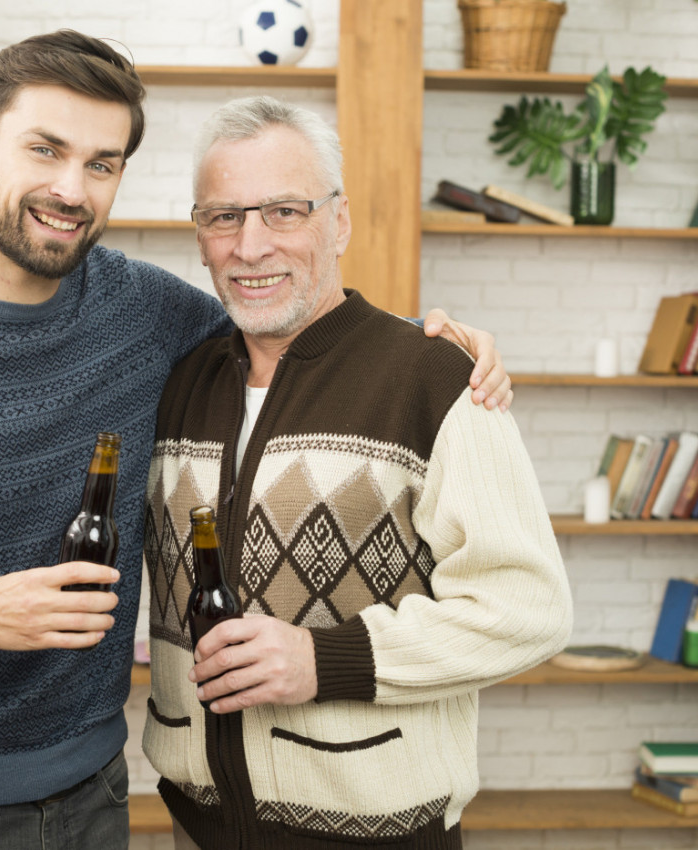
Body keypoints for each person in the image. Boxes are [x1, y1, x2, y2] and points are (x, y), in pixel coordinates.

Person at [0, 30, 512, 850]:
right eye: (45, 150)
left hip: (99, 795)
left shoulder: (146, 312)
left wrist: (428, 342)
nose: (72, 188)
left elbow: (290, 317)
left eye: (101, 164)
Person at [138, 96, 573, 850]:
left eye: (283, 212)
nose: (249, 246)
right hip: (195, 829)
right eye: (223, 217)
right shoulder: (177, 381)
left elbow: (527, 607)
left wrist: (323, 660)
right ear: (199, 235)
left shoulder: (435, 379)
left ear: (337, 221)